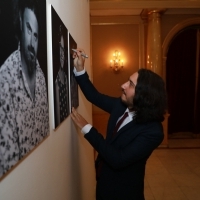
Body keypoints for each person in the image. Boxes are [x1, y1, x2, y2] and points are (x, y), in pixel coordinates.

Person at [71, 49, 167, 200]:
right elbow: (94, 96)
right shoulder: (121, 105)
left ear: (143, 96)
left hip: (124, 192)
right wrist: (80, 70)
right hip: (103, 181)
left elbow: (118, 159)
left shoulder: (153, 131)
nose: (123, 85)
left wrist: (87, 129)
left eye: (130, 84)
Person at [0, 0, 49, 177]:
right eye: (28, 29)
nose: (31, 42)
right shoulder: (5, 82)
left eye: (35, 35)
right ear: (20, 23)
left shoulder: (42, 77)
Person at [54, 25, 69, 127]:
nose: (63, 55)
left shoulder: (66, 78)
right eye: (60, 49)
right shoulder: (56, 80)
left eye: (64, 50)